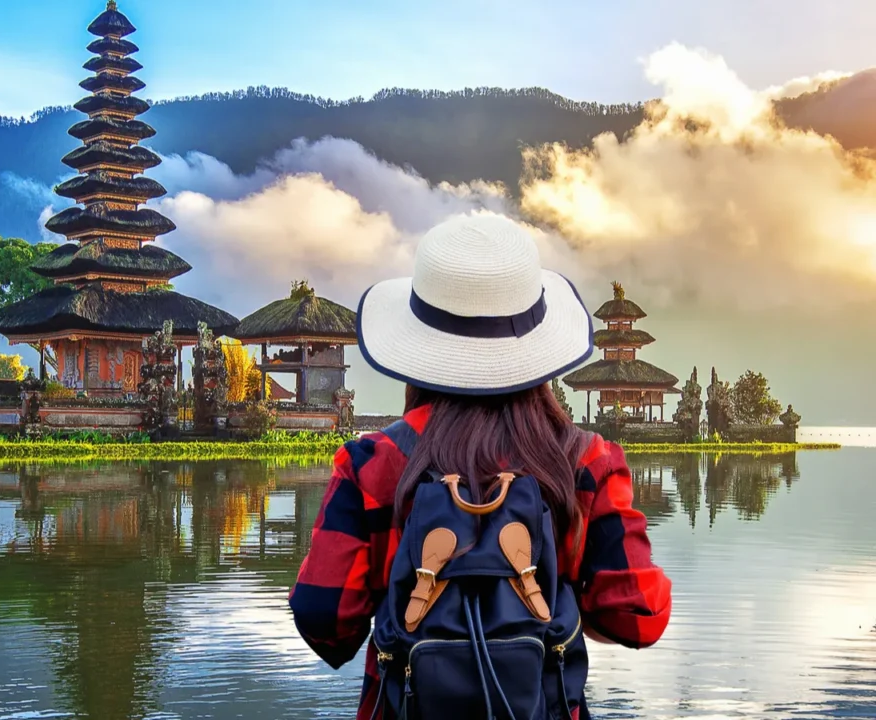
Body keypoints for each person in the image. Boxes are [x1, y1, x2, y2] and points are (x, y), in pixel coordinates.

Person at [288, 214, 672, 719]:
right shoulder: (586, 461)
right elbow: (639, 617)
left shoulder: (372, 464)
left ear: (418, 343)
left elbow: (325, 622)